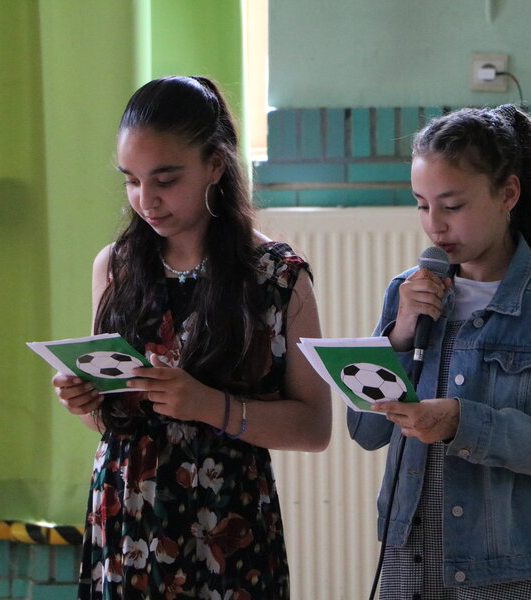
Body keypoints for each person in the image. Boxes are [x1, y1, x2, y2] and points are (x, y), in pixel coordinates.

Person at [52, 75, 331, 600]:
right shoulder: (115, 266)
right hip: (127, 518)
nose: (146, 199)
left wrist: (209, 405)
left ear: (216, 165)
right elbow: (109, 417)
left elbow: (314, 427)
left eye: (165, 179)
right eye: (131, 180)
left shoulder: (275, 275)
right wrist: (84, 400)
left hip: (227, 526)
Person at [347, 104, 531, 600]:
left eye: (453, 205)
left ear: (508, 193)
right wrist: (398, 336)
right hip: (411, 556)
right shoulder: (406, 294)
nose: (435, 226)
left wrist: (461, 423)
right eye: (422, 205)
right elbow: (366, 430)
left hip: (511, 565)